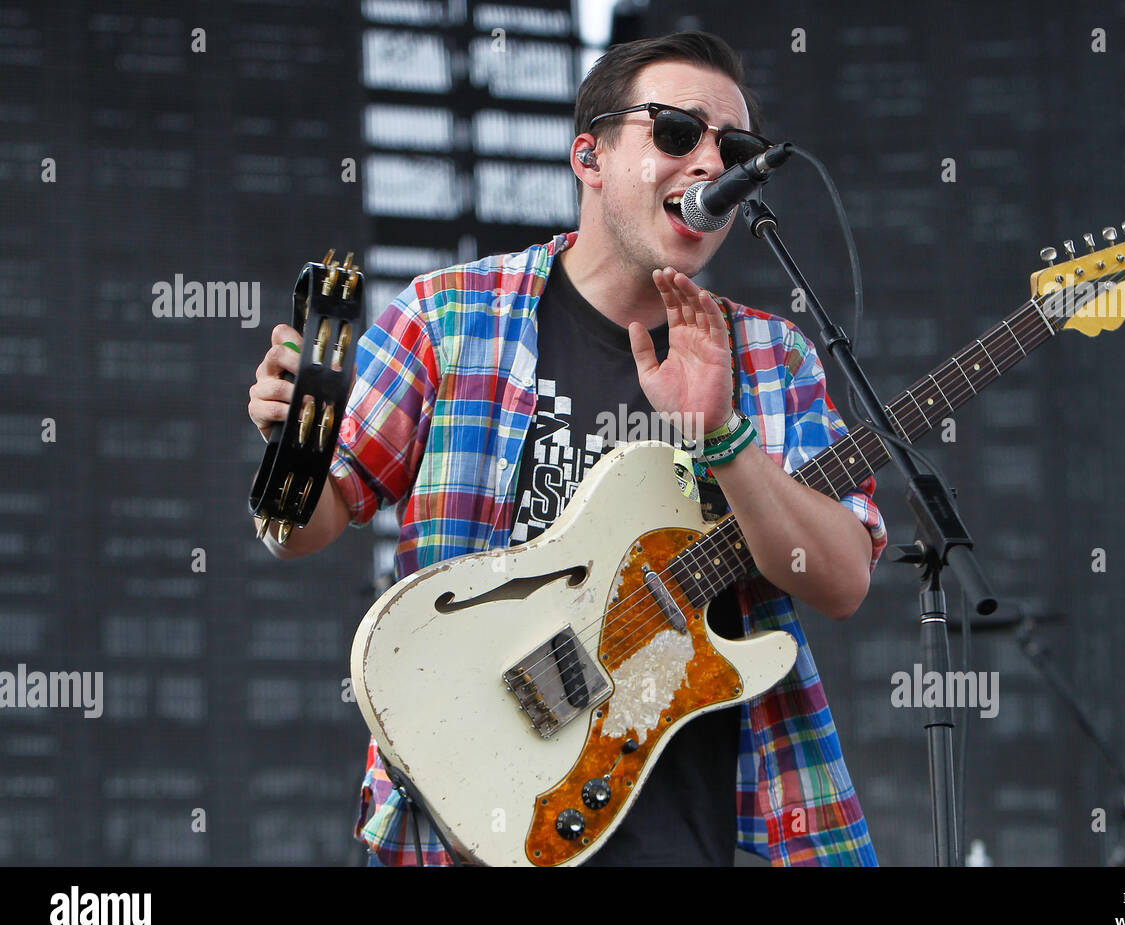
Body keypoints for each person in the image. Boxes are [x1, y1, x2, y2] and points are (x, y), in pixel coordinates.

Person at [247, 30, 886, 866]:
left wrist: (726, 437)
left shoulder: (772, 357)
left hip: (701, 832)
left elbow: (839, 583)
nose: (709, 167)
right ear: (588, 156)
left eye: (733, 149)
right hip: (475, 814)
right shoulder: (448, 316)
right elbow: (302, 529)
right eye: (675, 133)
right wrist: (294, 454)